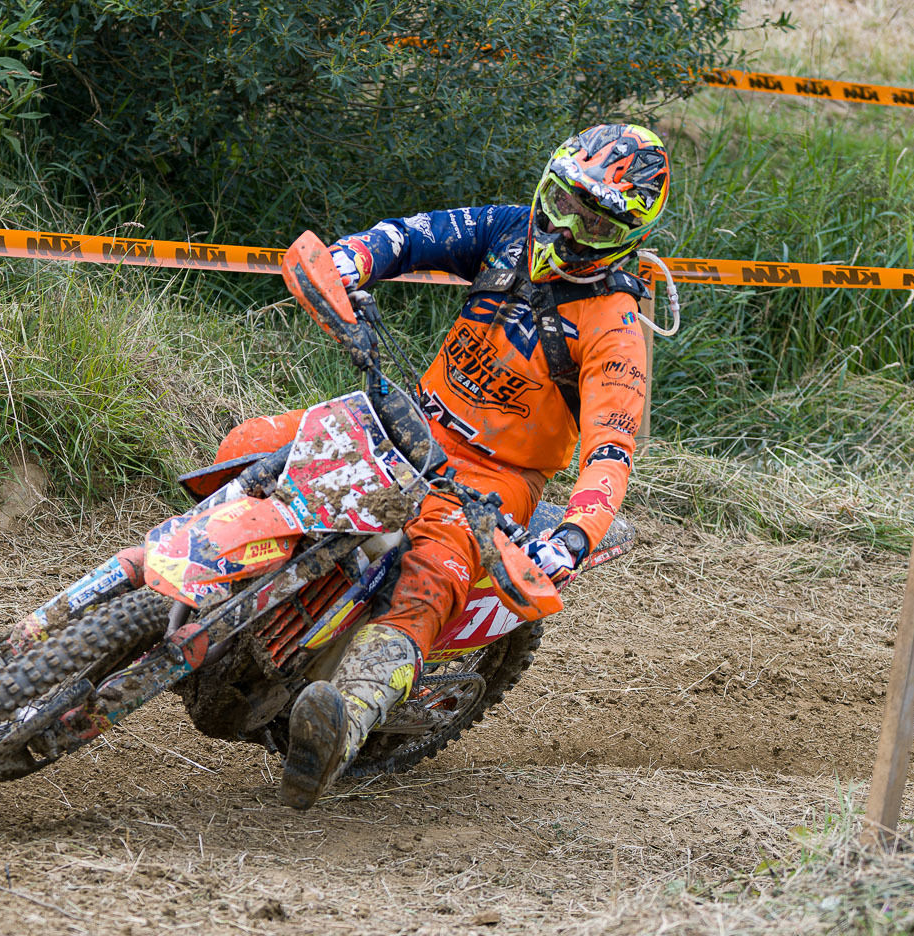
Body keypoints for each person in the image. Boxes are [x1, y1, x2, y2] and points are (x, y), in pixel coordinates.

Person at [219, 123, 670, 809]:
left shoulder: (615, 328)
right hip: (406, 421)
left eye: (596, 222)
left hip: (493, 482)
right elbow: (408, 237)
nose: (566, 229)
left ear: (629, 235)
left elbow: (610, 451)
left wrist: (573, 536)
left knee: (428, 578)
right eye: (563, 202)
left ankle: (341, 724)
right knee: (250, 444)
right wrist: (353, 260)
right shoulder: (507, 231)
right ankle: (214, 594)